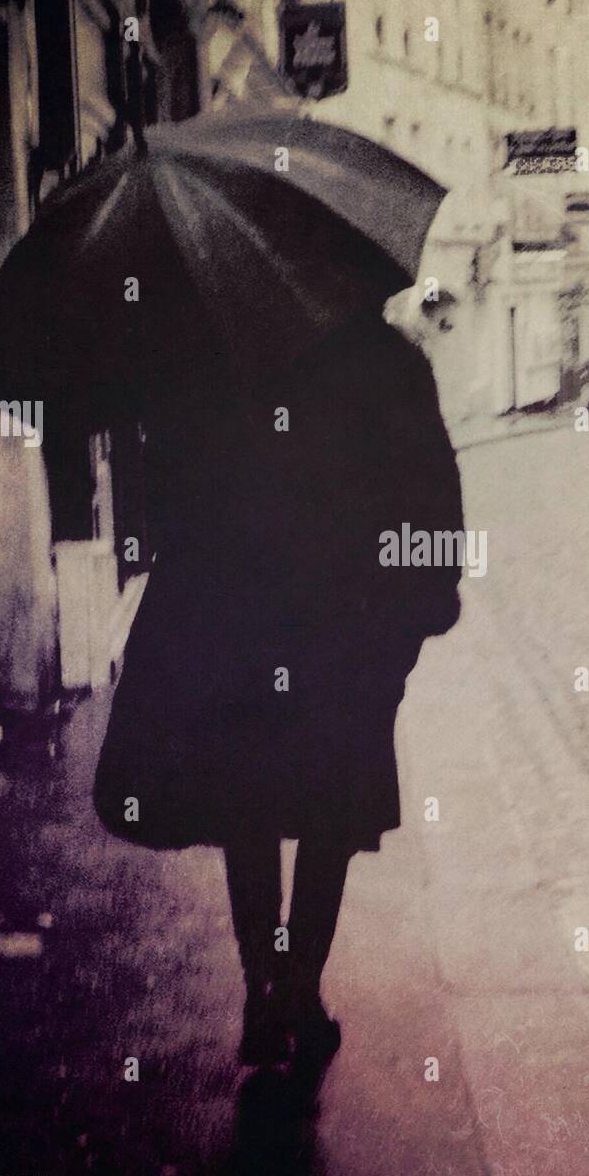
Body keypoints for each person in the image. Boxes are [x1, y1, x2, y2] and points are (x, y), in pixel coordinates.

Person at [91, 301, 465, 1079]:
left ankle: (264, 985)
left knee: (249, 810)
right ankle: (299, 987)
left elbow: (172, 502)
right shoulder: (387, 360)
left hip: (241, 633)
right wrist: (420, 607)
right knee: (330, 812)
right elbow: (432, 496)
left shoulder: (218, 360)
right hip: (349, 635)